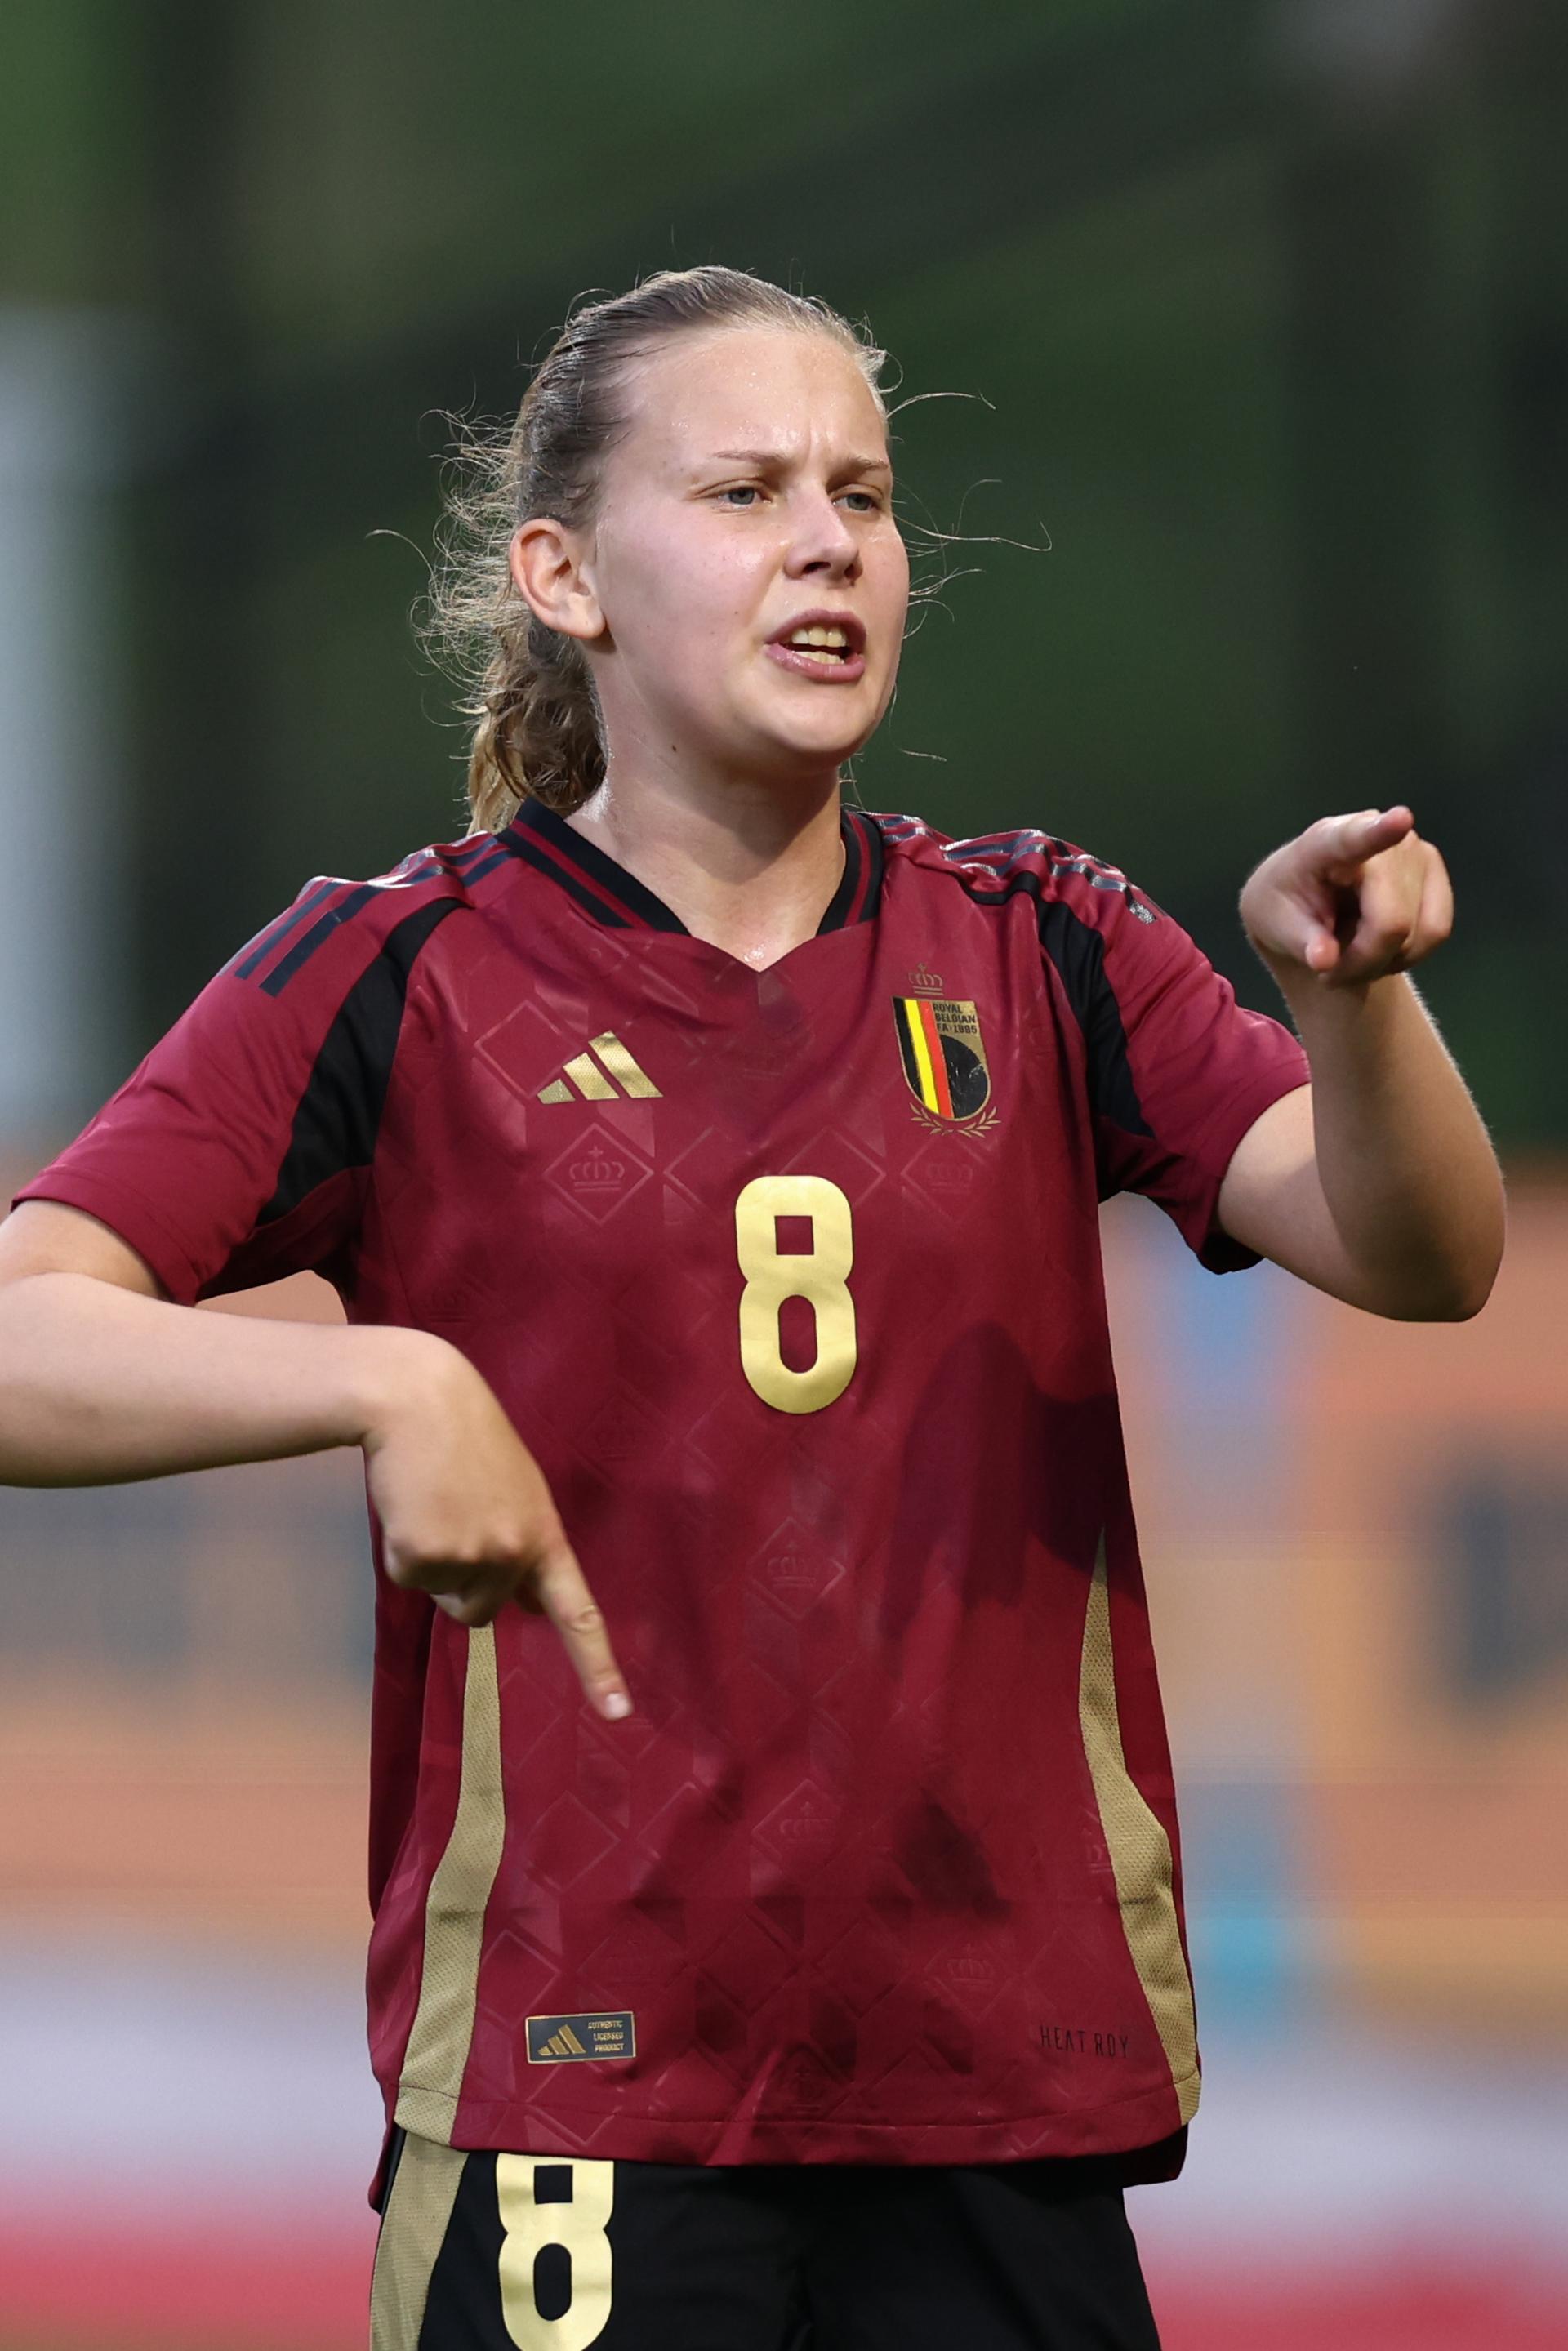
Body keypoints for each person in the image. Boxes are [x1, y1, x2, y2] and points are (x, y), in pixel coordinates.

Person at [0, 266, 1503, 2351]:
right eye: (744, 491)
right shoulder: (398, 971)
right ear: (565, 578)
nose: (828, 542)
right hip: (581, 2097)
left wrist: (1356, 1006)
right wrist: (388, 1385)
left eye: (861, 495)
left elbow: (1423, 1258)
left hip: (996, 2089)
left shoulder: (1043, 941)